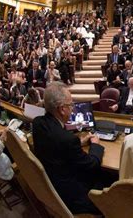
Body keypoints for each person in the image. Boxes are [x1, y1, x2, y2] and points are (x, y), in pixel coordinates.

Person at [32, 82, 105, 214]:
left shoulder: (38, 123)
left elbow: (56, 145)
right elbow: (92, 164)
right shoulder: (67, 139)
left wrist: (80, 142)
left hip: (52, 187)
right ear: (61, 109)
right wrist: (95, 145)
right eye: (70, 105)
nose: (72, 108)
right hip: (72, 197)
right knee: (107, 179)